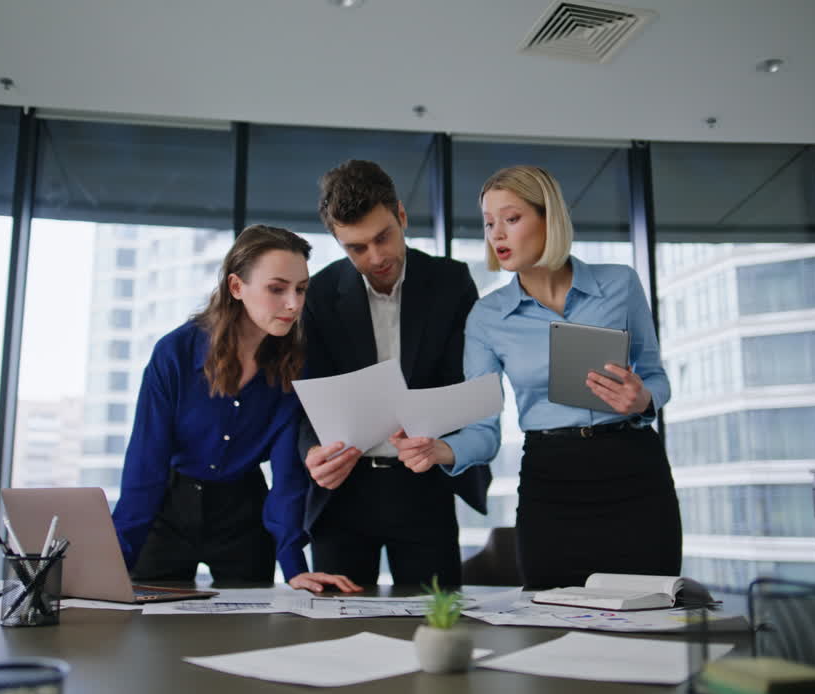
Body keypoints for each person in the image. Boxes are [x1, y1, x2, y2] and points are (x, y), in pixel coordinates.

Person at [391, 165, 681, 589]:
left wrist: (642, 400)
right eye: (489, 223)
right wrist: (443, 450)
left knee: (650, 613)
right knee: (549, 616)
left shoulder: (620, 284)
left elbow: (656, 377)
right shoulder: (487, 317)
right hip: (552, 485)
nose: (497, 234)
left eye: (511, 219)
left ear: (550, 219)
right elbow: (483, 431)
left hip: (635, 474)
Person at [112, 224, 360, 593]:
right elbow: (145, 466)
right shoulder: (175, 354)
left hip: (244, 515)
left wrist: (293, 565)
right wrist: (113, 565)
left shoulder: (296, 362)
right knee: (150, 618)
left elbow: (287, 474)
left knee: (247, 622)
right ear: (236, 287)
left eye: (301, 289)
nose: (294, 304)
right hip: (169, 509)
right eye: (277, 289)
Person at [299, 159, 491, 587]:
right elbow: (308, 397)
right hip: (343, 491)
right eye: (356, 248)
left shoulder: (451, 282)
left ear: (401, 216)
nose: (376, 257)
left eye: (383, 236)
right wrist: (312, 452)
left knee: (435, 618)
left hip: (424, 483)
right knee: (336, 621)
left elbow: (466, 383)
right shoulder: (319, 294)